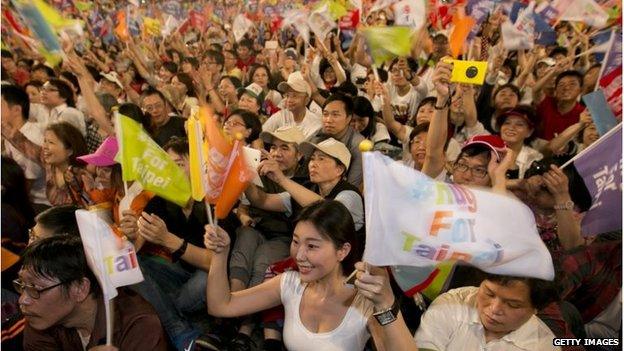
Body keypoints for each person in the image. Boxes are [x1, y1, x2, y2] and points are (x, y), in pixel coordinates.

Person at [204, 200, 385, 351]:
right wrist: (220, 253)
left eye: (312, 246)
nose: (298, 255)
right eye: (296, 241)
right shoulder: (289, 283)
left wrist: (388, 304)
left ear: (342, 251)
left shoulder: (364, 302)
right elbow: (221, 305)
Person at [354, 264, 560, 350]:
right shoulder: (451, 304)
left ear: (536, 308)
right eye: (488, 293)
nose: (494, 308)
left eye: (512, 304)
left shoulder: (542, 345)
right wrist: (385, 304)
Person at [17, 235, 168, 350]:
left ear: (80, 288)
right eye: (22, 285)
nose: (23, 300)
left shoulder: (139, 326)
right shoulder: (40, 320)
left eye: (35, 288)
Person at [1, 84, 49, 213]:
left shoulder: (31, 135)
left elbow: (26, 184)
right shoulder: (10, 133)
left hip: (38, 204)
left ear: (16, 110)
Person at [310, 93, 365, 187]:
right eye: (325, 114)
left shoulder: (358, 144)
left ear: (348, 118)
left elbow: (352, 185)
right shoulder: (318, 135)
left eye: (335, 115)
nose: (328, 120)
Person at [263, 71, 322, 139]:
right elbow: (261, 134)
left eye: (295, 96)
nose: (289, 100)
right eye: (288, 95)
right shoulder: (281, 115)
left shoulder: (315, 124)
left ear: (306, 100)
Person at [496, 106, 543, 179]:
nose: (511, 127)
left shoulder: (535, 158)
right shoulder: (488, 148)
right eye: (507, 123)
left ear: (529, 132)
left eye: (519, 124)